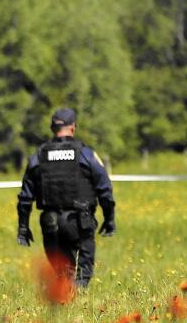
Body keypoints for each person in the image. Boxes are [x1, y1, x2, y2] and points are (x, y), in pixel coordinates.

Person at [16, 107, 116, 288]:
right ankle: (80, 291)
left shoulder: (39, 156)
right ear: (73, 127)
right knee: (80, 277)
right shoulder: (86, 154)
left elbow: (25, 197)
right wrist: (109, 219)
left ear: (52, 128)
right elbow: (105, 189)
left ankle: (67, 294)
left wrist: (23, 228)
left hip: (50, 222)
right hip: (79, 222)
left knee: (62, 274)